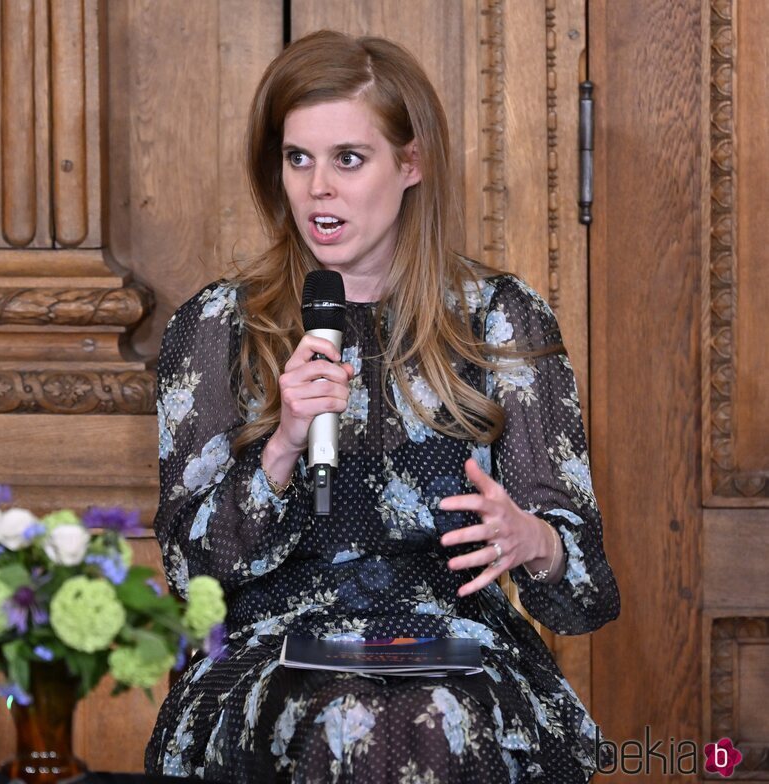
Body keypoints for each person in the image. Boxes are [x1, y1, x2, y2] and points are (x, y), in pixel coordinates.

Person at [144, 30, 619, 783]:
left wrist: (533, 539)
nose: (317, 188)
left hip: (454, 650)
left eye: (348, 159)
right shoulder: (218, 327)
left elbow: (585, 597)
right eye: (297, 159)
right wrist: (281, 447)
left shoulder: (498, 318)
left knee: (428, 713)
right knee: (341, 713)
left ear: (411, 163)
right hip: (273, 653)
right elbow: (188, 572)